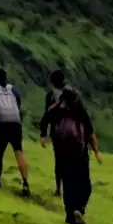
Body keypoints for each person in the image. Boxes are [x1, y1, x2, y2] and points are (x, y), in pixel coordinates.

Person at [45, 83, 101, 224]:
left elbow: (46, 118)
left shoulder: (57, 109)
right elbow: (90, 132)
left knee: (68, 183)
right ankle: (79, 209)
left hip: (63, 152)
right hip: (80, 152)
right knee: (85, 184)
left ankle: (70, 214)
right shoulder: (80, 110)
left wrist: (43, 135)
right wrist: (96, 152)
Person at [0, 67, 31, 196]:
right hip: (16, 124)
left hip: (2, 125)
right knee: (19, 151)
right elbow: (18, 106)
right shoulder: (13, 89)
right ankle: (25, 183)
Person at [39, 69, 67, 197]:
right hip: (73, 132)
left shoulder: (51, 95)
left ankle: (58, 189)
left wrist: (43, 133)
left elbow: (47, 114)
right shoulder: (72, 94)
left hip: (57, 131)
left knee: (59, 160)